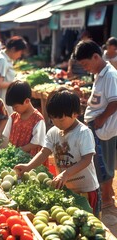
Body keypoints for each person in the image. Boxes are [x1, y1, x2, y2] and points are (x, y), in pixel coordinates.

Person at [14, 88, 100, 217]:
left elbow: (87, 159)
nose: (57, 123)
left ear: (75, 114)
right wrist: (28, 167)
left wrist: (66, 174)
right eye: (53, 119)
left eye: (61, 119)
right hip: (66, 189)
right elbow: (44, 152)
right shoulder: (53, 132)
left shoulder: (83, 133)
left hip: (86, 190)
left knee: (91, 223)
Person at [73, 40, 117, 208]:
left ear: (96, 56)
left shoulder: (110, 75)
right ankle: (108, 195)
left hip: (103, 128)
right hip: (98, 126)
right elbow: (101, 101)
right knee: (101, 162)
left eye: (85, 64)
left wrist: (101, 119)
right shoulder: (100, 73)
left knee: (103, 164)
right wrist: (85, 99)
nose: (85, 68)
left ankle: (107, 199)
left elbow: (115, 101)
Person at [1, 80, 46, 156]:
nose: (13, 109)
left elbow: (36, 143)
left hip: (30, 161)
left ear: (27, 101)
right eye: (12, 107)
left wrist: (18, 151)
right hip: (15, 157)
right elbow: (6, 137)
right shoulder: (14, 117)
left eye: (15, 107)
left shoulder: (38, 119)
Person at [0, 36, 27, 114]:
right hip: (2, 98)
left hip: (5, 97)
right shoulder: (2, 60)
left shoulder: (5, 59)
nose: (20, 56)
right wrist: (15, 83)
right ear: (13, 49)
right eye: (20, 52)